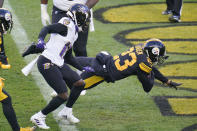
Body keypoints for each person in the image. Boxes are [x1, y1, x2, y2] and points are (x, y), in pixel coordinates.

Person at [56, 38, 182, 122]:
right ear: (152, 53)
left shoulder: (139, 48)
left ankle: (51, 62)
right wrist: (152, 75)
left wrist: (166, 81)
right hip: (103, 72)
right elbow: (147, 87)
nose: (159, 58)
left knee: (67, 60)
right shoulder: (144, 64)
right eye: (158, 56)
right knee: (78, 86)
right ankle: (65, 110)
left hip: (102, 60)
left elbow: (147, 67)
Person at [22, 4, 91, 129]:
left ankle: (66, 112)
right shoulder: (66, 25)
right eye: (84, 18)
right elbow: (47, 28)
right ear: (77, 17)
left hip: (58, 62)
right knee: (63, 95)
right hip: (47, 62)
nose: (85, 22)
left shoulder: (74, 32)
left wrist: (82, 68)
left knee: (80, 83)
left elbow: (69, 57)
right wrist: (40, 40)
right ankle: (39, 116)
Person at [40, 0, 99, 95]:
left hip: (81, 12)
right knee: (58, 48)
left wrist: (83, 9)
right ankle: (59, 83)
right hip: (60, 10)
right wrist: (43, 7)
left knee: (80, 48)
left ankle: (81, 80)